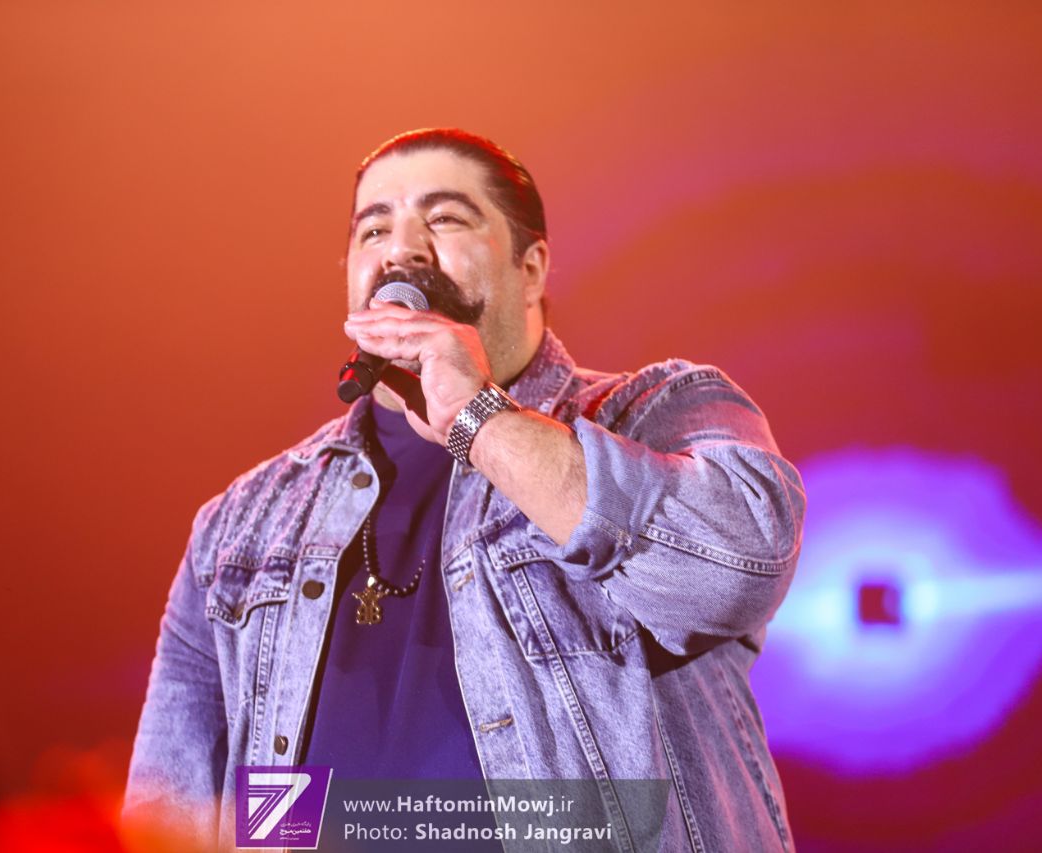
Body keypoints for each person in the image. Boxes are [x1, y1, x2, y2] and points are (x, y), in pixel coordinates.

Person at [122, 128, 805, 852]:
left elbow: (732, 575)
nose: (402, 249)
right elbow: (166, 818)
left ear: (531, 269)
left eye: (444, 218)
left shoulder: (655, 412)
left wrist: (475, 417)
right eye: (374, 229)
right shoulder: (243, 523)